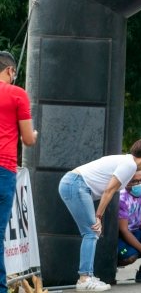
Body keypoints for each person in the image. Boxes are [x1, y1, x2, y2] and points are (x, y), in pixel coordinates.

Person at [58, 139, 141, 291]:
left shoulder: (125, 160)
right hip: (76, 184)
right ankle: (84, 278)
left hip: (74, 184)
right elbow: (109, 191)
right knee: (91, 231)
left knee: (92, 232)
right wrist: (99, 216)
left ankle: (88, 275)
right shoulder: (130, 165)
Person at [0, 50, 37, 293]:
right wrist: (34, 135)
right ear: (11, 70)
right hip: (3, 168)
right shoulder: (17, 94)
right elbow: (28, 139)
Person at [117, 169, 141, 282]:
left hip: (139, 231)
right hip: (123, 235)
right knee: (129, 257)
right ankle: (110, 265)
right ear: (125, 182)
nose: (139, 184)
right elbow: (123, 230)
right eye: (134, 181)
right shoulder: (122, 198)